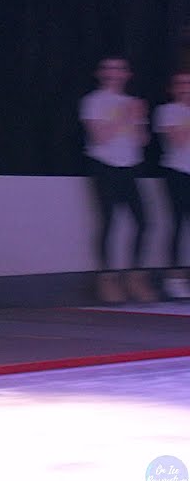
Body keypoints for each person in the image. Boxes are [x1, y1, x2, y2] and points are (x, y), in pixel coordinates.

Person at [81, 56, 154, 304]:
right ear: (100, 73)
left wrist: (139, 118)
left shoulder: (132, 102)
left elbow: (142, 140)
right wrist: (124, 114)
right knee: (108, 220)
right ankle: (107, 277)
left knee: (144, 221)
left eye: (119, 68)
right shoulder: (93, 101)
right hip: (104, 165)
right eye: (108, 68)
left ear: (127, 74)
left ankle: (134, 276)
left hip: (130, 166)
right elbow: (100, 137)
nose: (113, 72)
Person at [155, 72, 190, 299]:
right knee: (178, 223)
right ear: (172, 88)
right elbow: (178, 140)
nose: (185, 87)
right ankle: (174, 279)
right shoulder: (166, 111)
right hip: (177, 172)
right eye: (180, 83)